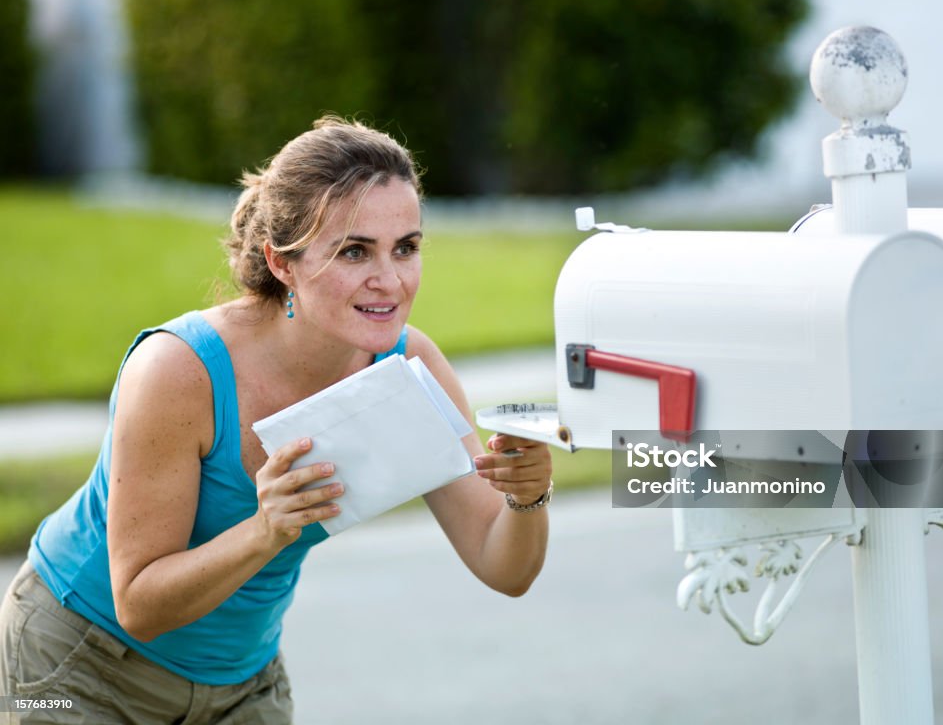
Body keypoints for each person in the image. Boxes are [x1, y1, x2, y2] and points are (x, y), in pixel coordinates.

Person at [0, 117, 553, 723]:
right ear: (282, 263)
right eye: (354, 250)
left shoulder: (406, 367)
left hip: (241, 684)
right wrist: (265, 529)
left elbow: (503, 564)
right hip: (81, 664)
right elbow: (137, 603)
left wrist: (526, 499)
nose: (391, 280)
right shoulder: (178, 372)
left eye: (407, 247)